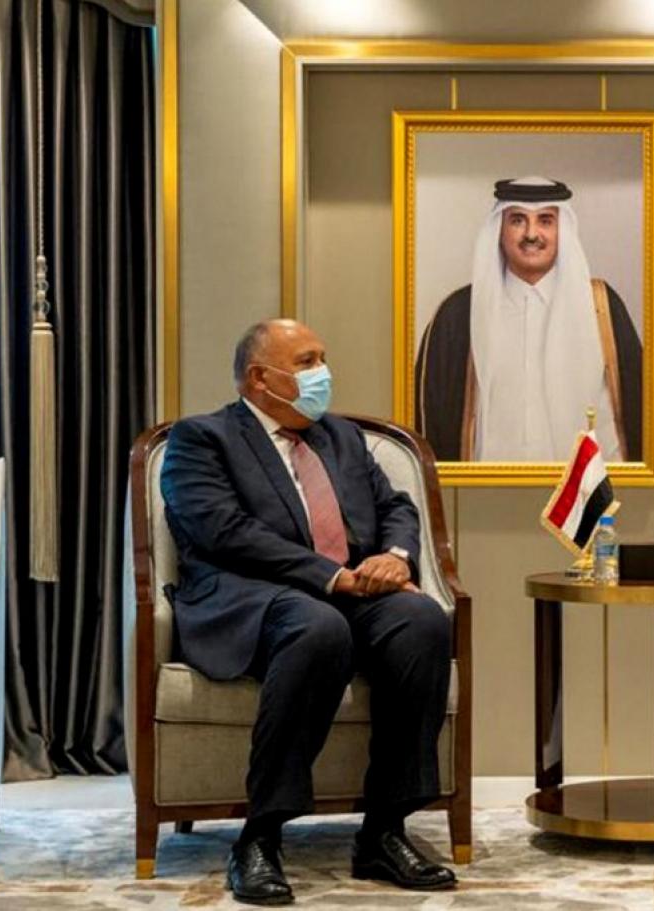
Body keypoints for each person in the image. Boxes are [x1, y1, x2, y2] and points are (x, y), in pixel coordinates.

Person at [161, 319, 457, 905]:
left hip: (351, 592)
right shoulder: (202, 439)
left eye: (323, 357)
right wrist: (331, 575)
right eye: (306, 362)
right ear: (259, 378)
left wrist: (396, 558)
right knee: (317, 627)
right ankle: (260, 836)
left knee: (421, 622)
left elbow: (395, 507)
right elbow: (224, 531)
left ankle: (384, 831)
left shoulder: (341, 437)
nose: (323, 373)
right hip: (251, 596)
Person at [415, 177, 643, 462]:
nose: (532, 234)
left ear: (563, 230)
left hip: (587, 487)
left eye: (545, 221)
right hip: (484, 487)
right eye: (517, 220)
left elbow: (638, 409)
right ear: (499, 230)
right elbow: (429, 422)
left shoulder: (601, 308)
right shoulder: (458, 314)